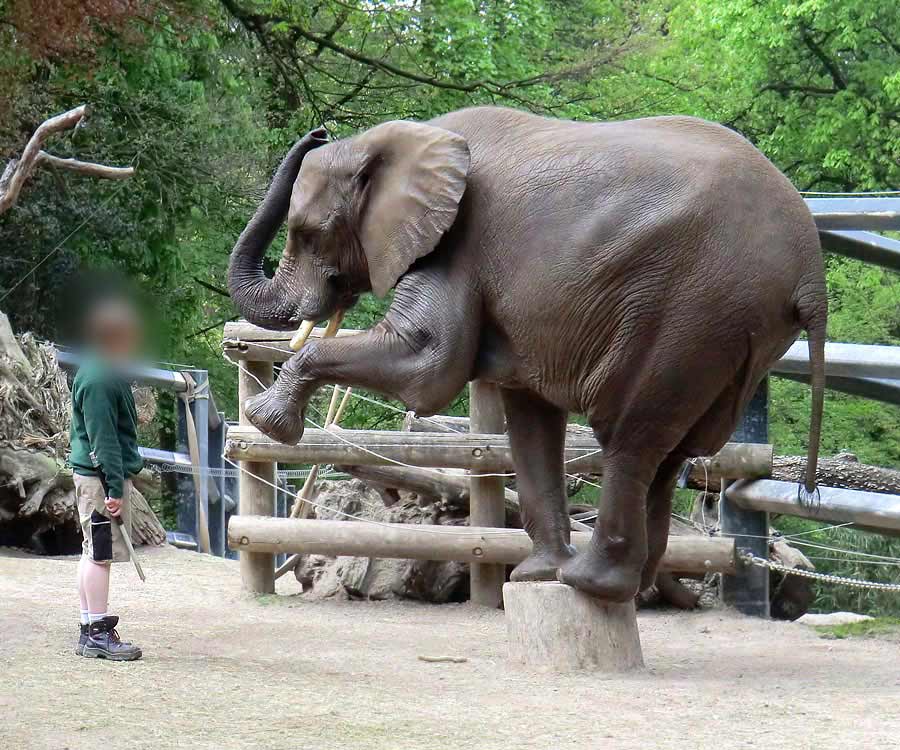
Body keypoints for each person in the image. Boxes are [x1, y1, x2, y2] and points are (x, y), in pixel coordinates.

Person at [69, 298, 144, 661]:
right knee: (100, 555)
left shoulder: (99, 369)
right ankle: (97, 632)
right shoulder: (99, 377)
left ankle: (89, 627)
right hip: (100, 481)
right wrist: (115, 489)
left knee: (91, 553)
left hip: (92, 478)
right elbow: (104, 441)